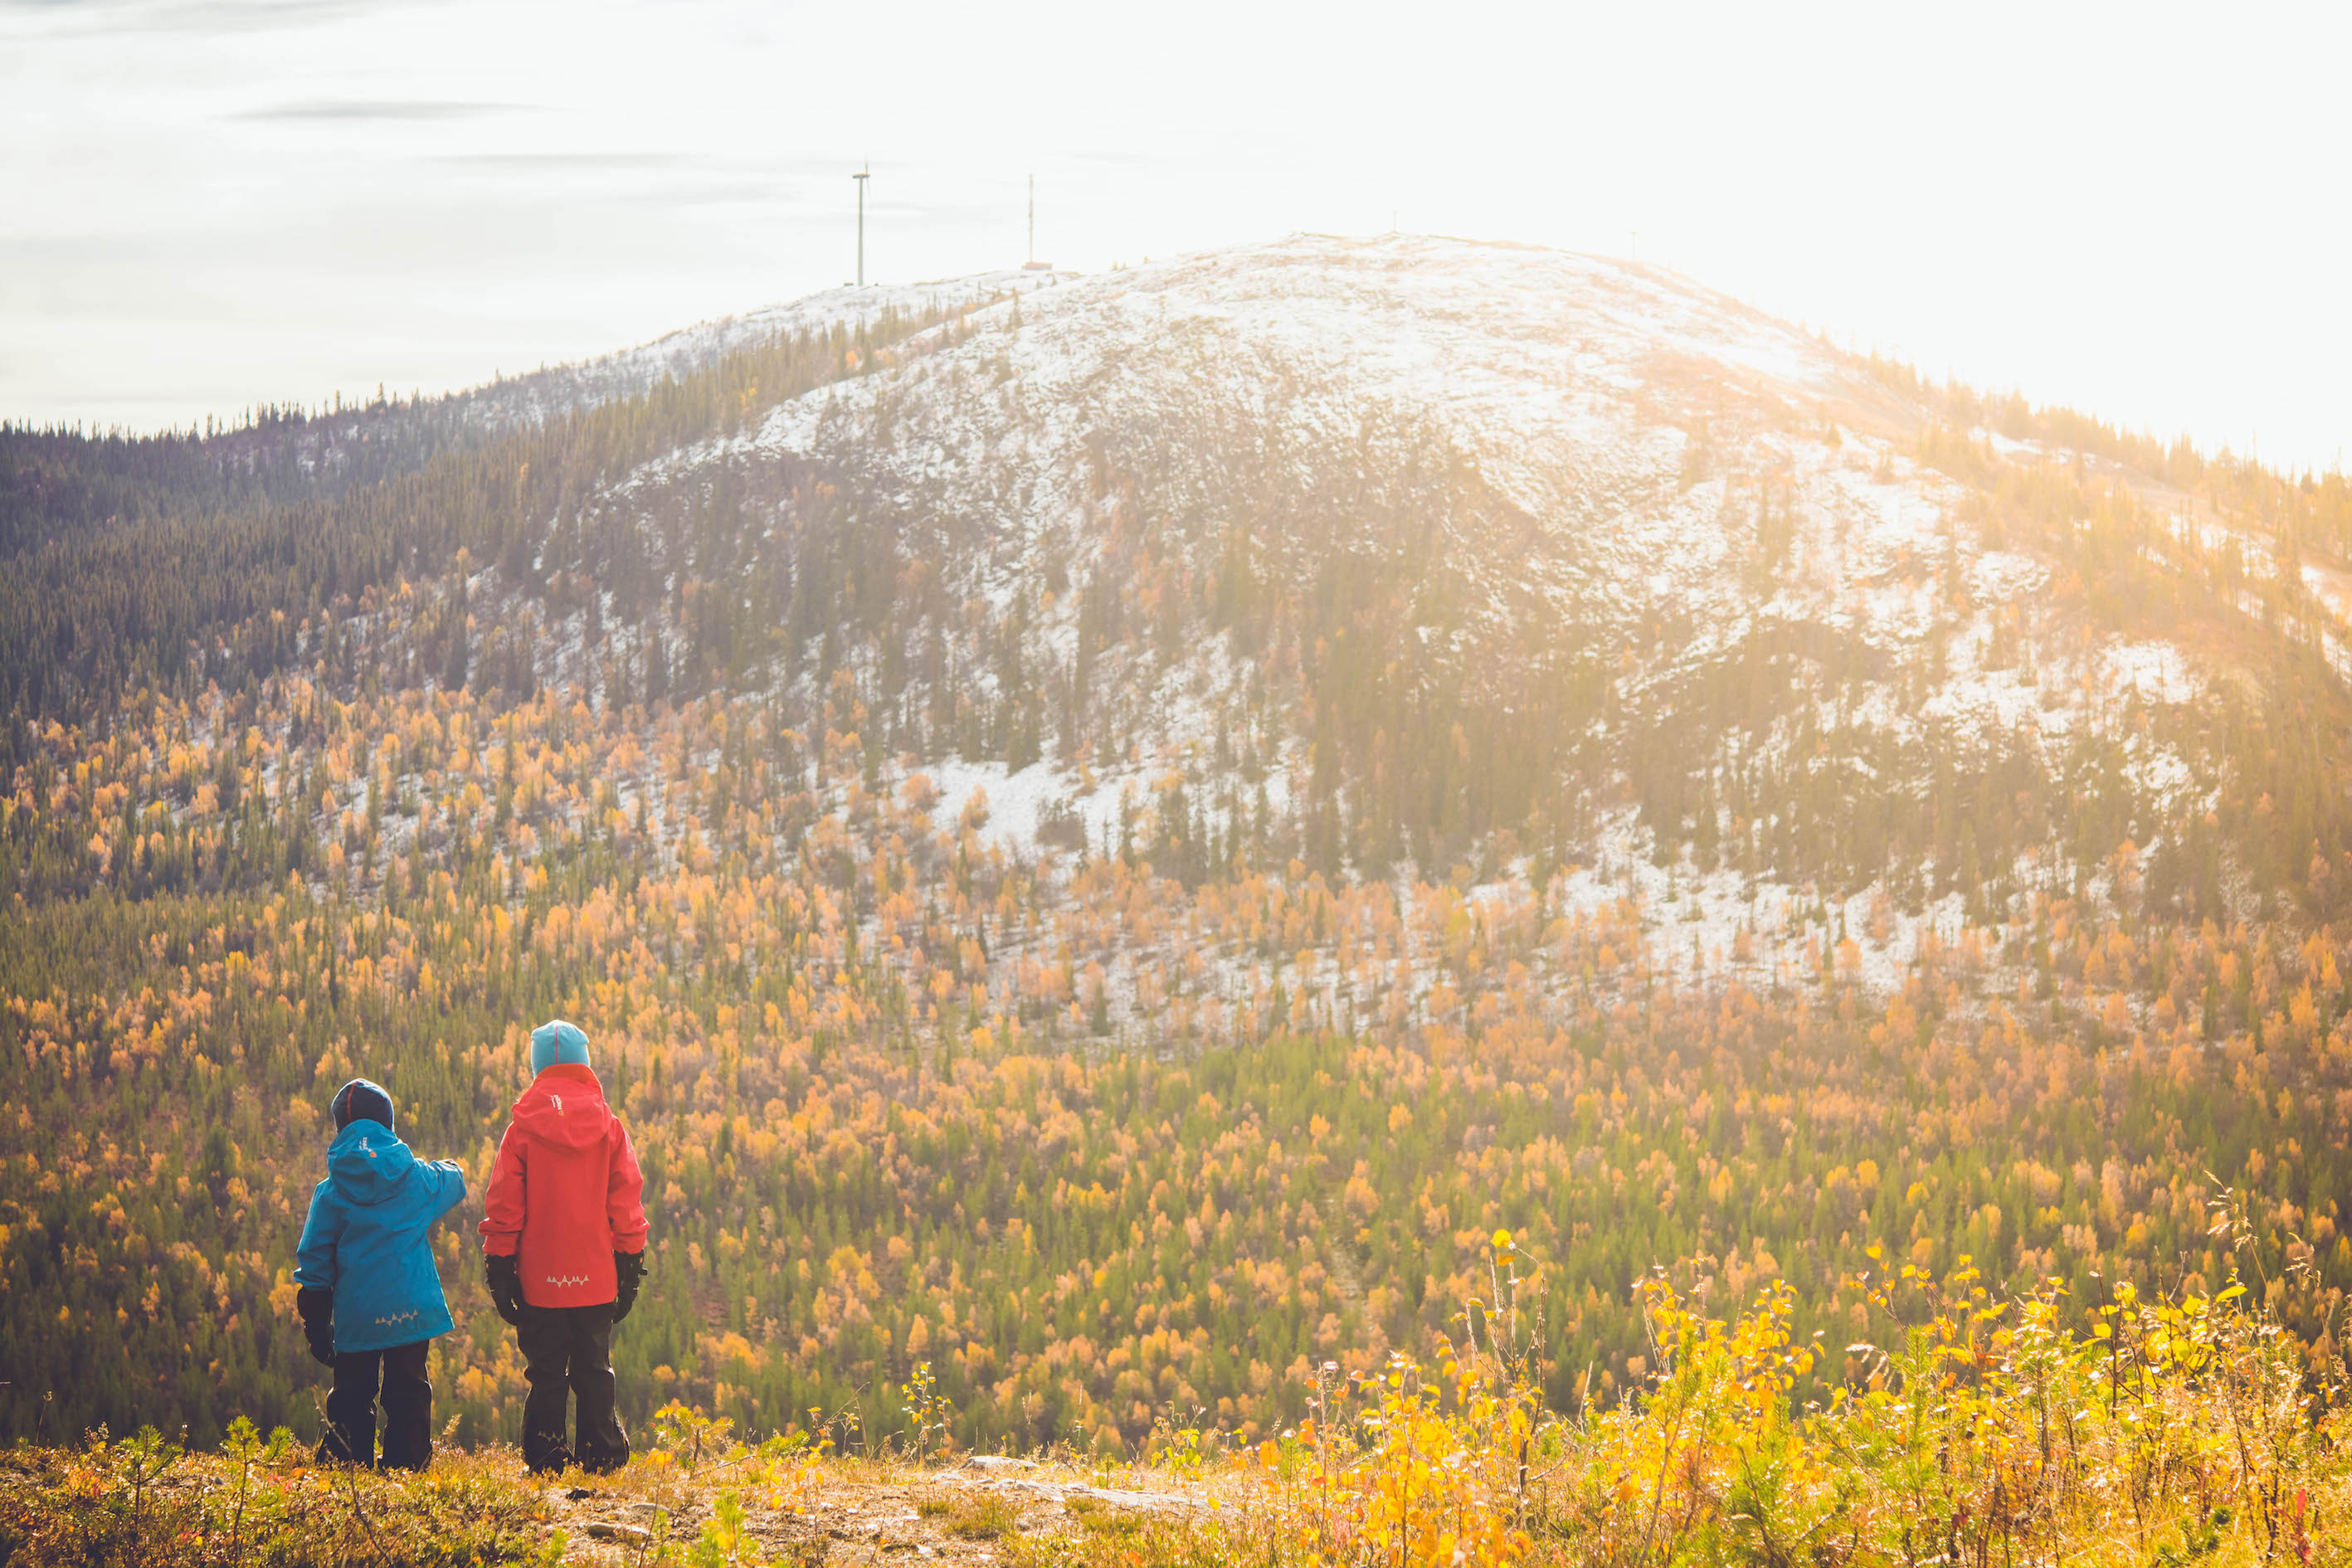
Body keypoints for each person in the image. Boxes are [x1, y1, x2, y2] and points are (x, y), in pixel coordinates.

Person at [480, 1020, 650, 1474]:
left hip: (539, 1280)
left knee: (547, 1372)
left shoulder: (521, 1131)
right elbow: (626, 1200)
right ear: (585, 1064)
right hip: (596, 1277)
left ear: (538, 1067)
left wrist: (499, 1267)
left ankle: (547, 1459)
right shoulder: (609, 1127)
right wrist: (630, 1264)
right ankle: (603, 1458)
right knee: (594, 1367)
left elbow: (504, 1206)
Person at [294, 1079, 467, 1469]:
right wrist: (449, 1165)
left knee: (353, 1392)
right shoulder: (415, 1178)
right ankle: (408, 1469)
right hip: (410, 1309)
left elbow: (314, 1263)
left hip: (358, 1316)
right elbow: (454, 1181)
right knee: (408, 1390)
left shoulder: (331, 1192)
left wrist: (317, 1325)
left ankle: (346, 1467)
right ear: (389, 1126)